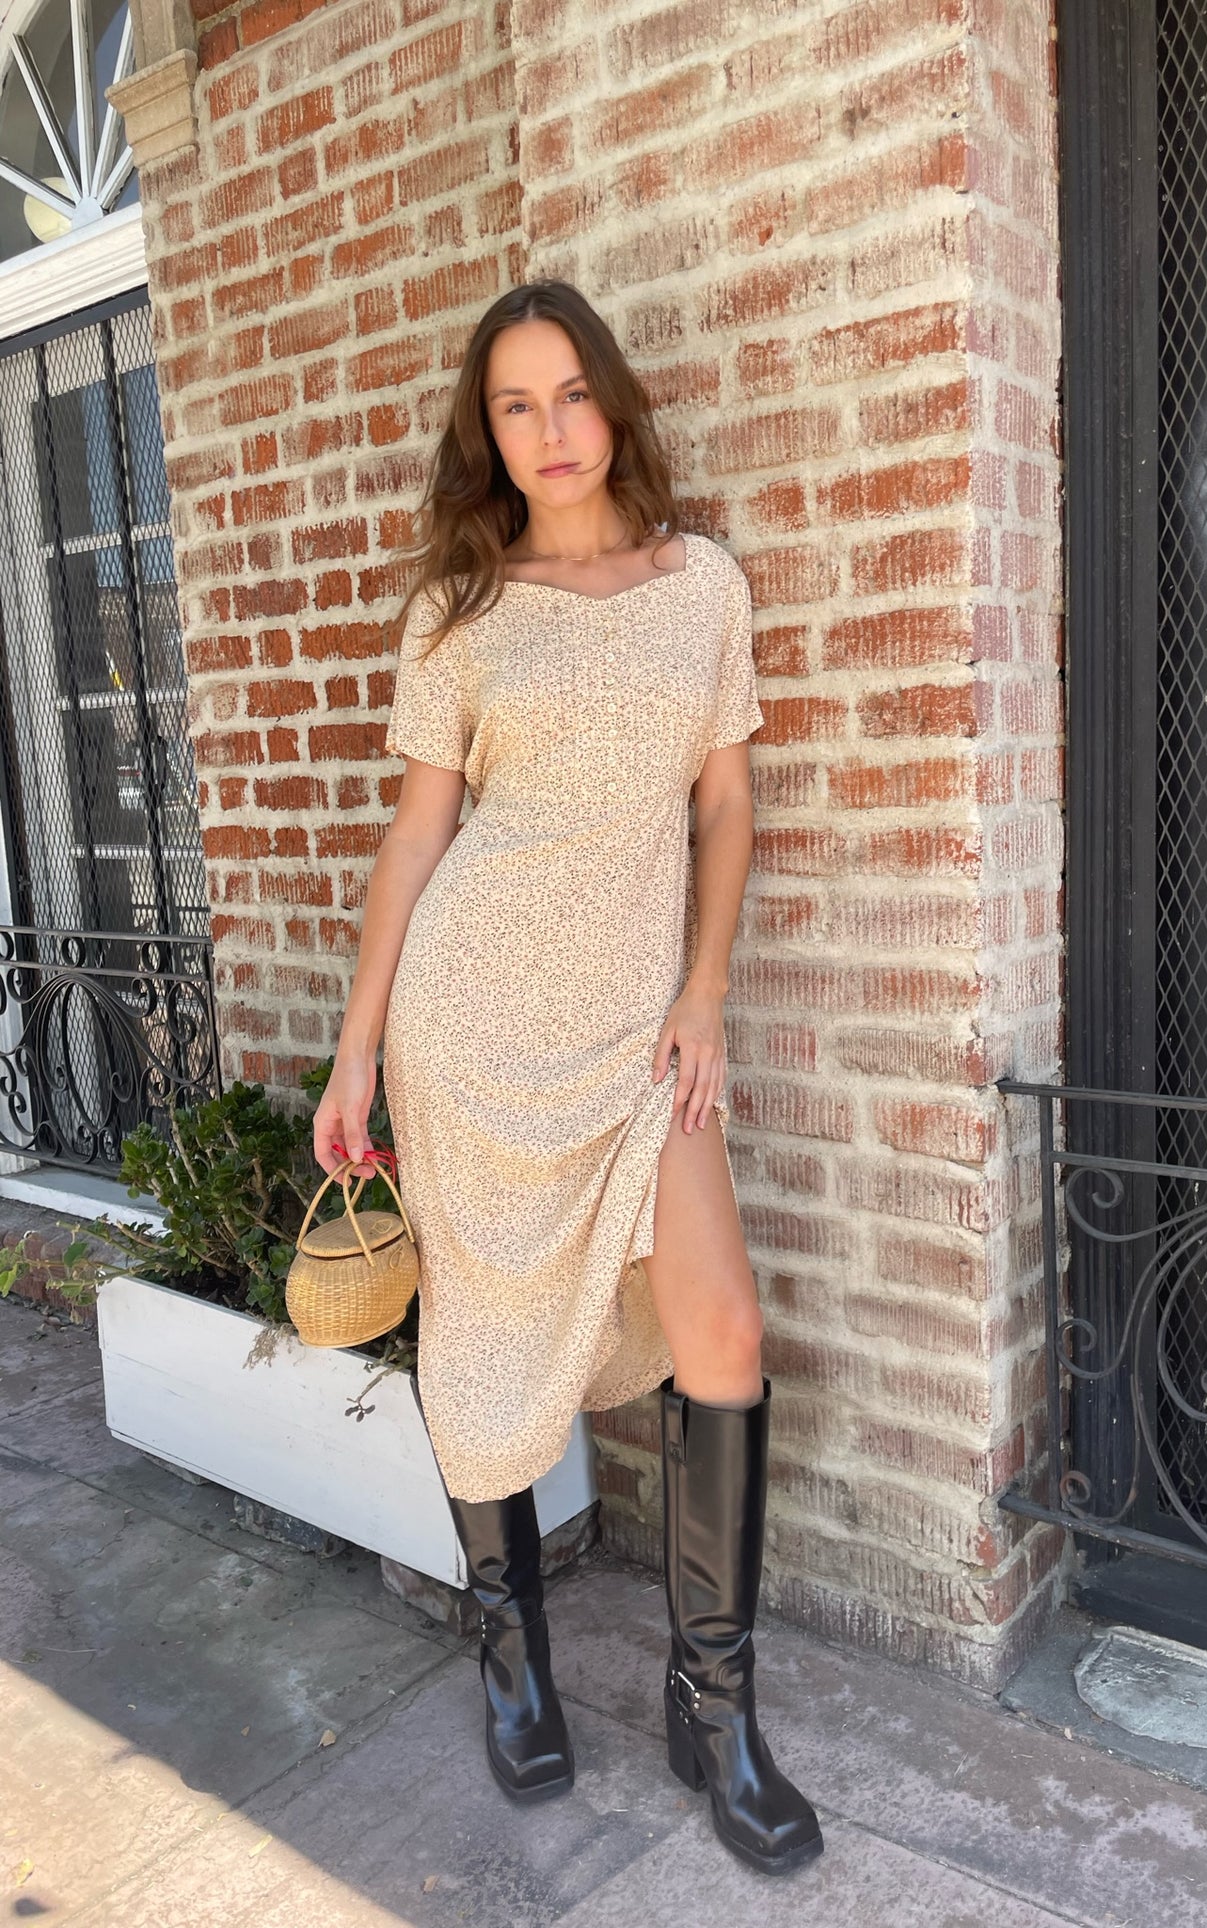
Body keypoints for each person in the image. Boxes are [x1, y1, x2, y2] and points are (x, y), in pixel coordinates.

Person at [309, 279, 824, 1878]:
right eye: (512, 406)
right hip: (471, 1023)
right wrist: (354, 1047)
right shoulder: (458, 608)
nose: (546, 432)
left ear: (614, 404)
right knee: (478, 1342)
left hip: (638, 1030)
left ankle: (714, 1709)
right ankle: (512, 1655)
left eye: (569, 396)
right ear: (491, 431)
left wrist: (707, 991)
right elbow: (418, 837)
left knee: (721, 1327)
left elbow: (725, 809)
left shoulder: (704, 587)